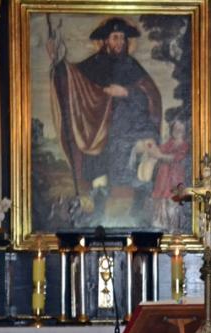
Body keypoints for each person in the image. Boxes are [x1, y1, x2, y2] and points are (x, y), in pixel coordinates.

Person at [48, 16, 162, 226]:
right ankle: (96, 215)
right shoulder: (94, 64)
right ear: (106, 40)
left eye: (122, 38)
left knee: (139, 165)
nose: (119, 42)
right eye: (115, 37)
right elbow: (72, 78)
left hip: (128, 128)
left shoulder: (131, 65)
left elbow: (150, 96)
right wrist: (58, 64)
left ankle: (138, 213)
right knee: (98, 172)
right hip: (99, 129)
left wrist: (125, 92)